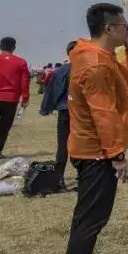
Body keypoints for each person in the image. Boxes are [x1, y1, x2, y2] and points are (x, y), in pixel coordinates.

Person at [65, 3, 128, 254]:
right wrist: (118, 156)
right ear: (109, 28)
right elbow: (103, 114)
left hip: (96, 150)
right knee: (91, 218)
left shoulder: (100, 57)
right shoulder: (95, 64)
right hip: (96, 152)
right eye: (124, 25)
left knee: (90, 215)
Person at [0, 37, 31, 164]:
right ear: (14, 48)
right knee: (4, 127)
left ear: (0, 47)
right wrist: (25, 98)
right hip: (11, 99)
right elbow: (25, 81)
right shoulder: (21, 62)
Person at [39, 42, 78, 190]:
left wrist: (45, 109)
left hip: (64, 111)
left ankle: (59, 179)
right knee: (83, 145)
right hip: (82, 113)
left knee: (63, 146)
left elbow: (52, 91)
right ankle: (83, 177)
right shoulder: (87, 68)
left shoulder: (61, 70)